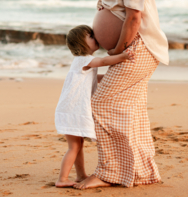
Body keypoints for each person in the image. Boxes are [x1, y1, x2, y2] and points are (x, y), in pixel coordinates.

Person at [74, 0, 169, 190]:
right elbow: (117, 6)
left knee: (101, 103)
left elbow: (135, 16)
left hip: (138, 47)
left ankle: (108, 172)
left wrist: (117, 48)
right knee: (132, 109)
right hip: (130, 48)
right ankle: (140, 171)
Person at [54, 24, 134, 188]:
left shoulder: (82, 63)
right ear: (81, 43)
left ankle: (81, 175)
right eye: (90, 36)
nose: (95, 37)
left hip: (69, 110)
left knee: (77, 146)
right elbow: (104, 60)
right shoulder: (85, 60)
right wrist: (124, 56)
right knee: (74, 147)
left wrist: (114, 75)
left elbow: (93, 78)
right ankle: (62, 179)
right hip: (73, 111)